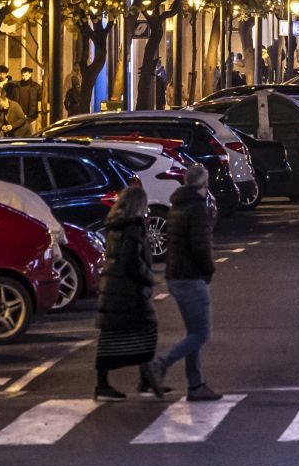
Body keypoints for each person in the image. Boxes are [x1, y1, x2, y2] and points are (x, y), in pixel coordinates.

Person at [152, 164, 220, 400]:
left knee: (194, 333)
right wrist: (209, 269)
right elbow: (201, 247)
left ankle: (195, 385)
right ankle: (160, 364)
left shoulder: (177, 205)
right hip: (191, 277)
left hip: (175, 276)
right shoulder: (197, 208)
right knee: (201, 334)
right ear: (204, 184)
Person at [94, 185, 163, 400]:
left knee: (112, 337)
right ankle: (142, 381)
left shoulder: (115, 223)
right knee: (146, 328)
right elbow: (131, 259)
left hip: (113, 288)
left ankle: (110, 384)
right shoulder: (133, 227)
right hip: (127, 290)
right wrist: (149, 278)